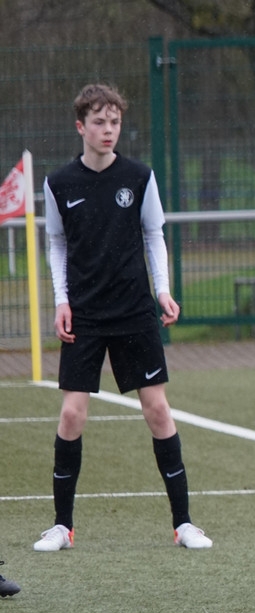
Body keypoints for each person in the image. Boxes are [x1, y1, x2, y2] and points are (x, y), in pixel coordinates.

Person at [37, 84, 212, 552]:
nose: (108, 130)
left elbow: (154, 236)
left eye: (114, 121)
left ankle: (184, 524)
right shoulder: (58, 183)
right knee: (72, 413)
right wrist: (61, 300)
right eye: (99, 122)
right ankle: (62, 527)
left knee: (157, 410)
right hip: (85, 315)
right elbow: (57, 244)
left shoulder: (139, 177)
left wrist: (163, 290)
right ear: (81, 126)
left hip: (134, 311)